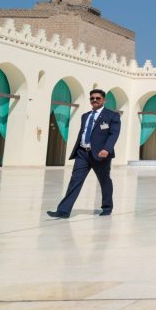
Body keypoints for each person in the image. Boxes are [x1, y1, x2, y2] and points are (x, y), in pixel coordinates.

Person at [47, 89, 121, 219]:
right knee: (75, 181)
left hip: (101, 154)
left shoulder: (112, 116)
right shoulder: (85, 116)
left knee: (104, 181)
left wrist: (107, 149)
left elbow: (114, 134)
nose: (95, 100)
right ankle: (63, 211)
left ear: (104, 100)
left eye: (98, 98)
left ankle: (107, 208)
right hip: (82, 153)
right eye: (92, 98)